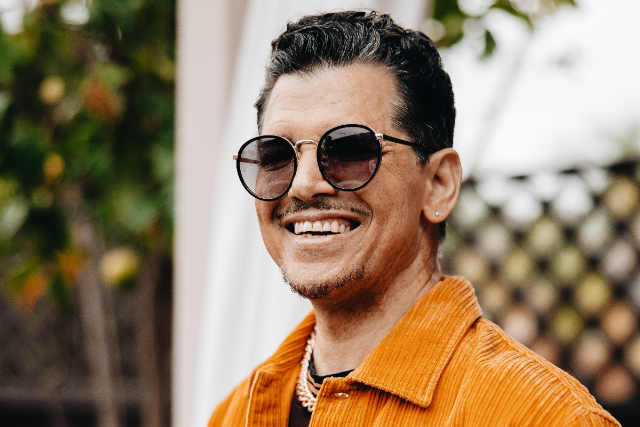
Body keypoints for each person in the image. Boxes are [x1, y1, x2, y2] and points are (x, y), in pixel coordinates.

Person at [210, 10, 620, 427]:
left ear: (438, 184)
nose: (304, 184)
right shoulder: (234, 414)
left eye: (350, 149)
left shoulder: (545, 417)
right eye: (276, 156)